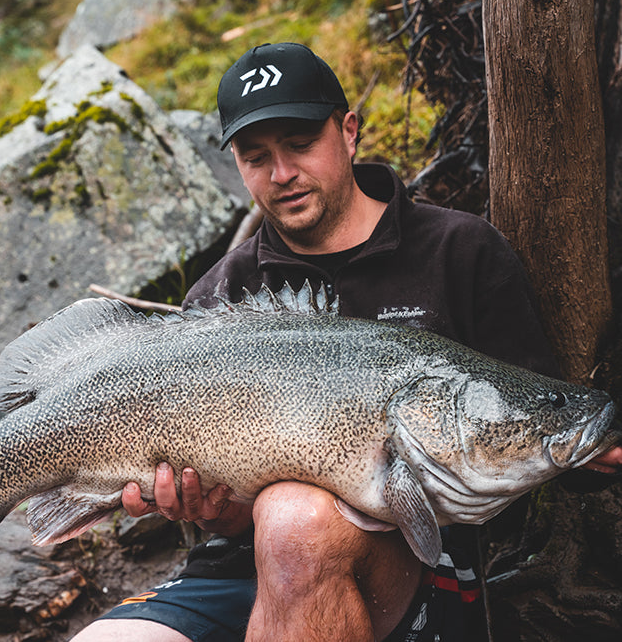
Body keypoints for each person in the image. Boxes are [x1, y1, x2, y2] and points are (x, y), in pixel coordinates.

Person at [71, 42, 622, 642]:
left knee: (293, 524)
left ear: (349, 131)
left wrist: (587, 447)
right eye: (257, 157)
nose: (282, 174)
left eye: (301, 145)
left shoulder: (460, 252)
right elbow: (230, 522)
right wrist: (205, 508)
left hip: (413, 564)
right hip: (240, 568)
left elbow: (523, 417)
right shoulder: (223, 291)